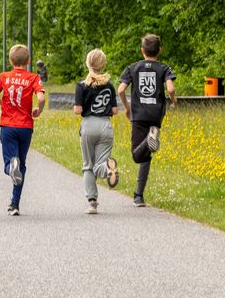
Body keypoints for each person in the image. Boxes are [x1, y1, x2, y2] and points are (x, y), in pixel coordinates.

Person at [117, 34, 177, 207]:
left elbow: (121, 90)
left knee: (137, 155)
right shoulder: (164, 68)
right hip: (156, 115)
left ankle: (150, 137)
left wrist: (127, 108)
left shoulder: (132, 68)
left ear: (142, 50)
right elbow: (171, 88)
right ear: (160, 50)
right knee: (146, 155)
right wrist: (173, 101)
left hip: (138, 115)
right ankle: (138, 196)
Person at [0, 44, 46, 216]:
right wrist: (38, 110)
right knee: (22, 165)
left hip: (8, 125)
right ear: (28, 61)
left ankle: (10, 168)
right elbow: (41, 97)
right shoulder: (34, 78)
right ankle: (14, 204)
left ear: (10, 61)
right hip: (25, 126)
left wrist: (3, 104)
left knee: (10, 164)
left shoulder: (4, 76)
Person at [74, 49, 119, 214]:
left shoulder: (82, 85)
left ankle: (92, 203)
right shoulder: (109, 86)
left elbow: (78, 110)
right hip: (105, 126)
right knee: (100, 164)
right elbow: (115, 111)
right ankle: (109, 170)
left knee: (88, 166)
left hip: (88, 125)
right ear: (103, 65)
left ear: (88, 64)